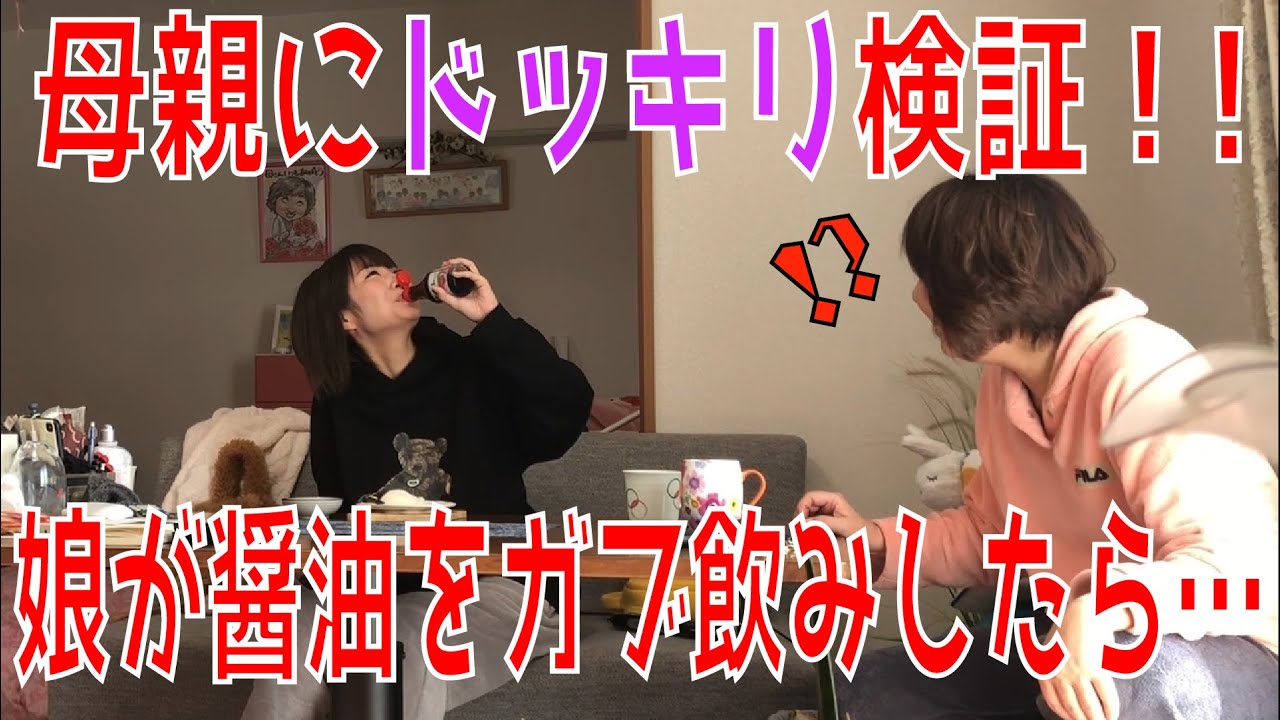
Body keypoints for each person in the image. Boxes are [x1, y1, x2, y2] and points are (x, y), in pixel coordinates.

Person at [796, 174, 1278, 720]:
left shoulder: (1144, 368)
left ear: (987, 282)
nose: (917, 298)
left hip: (1228, 645)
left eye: (929, 277)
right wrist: (876, 543)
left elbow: (1233, 571)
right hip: (1073, 635)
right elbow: (991, 534)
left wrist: (1102, 608)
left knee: (1127, 678)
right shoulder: (1002, 389)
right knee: (873, 687)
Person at [240, 244, 594, 720]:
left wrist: (492, 319)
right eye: (373, 274)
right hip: (385, 594)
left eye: (393, 268)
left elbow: (570, 407)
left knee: (400, 639)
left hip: (500, 587)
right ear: (345, 318)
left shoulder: (474, 364)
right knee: (296, 629)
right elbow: (343, 518)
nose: (397, 276)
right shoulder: (336, 402)